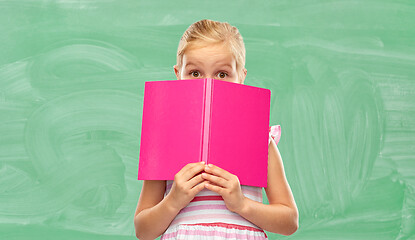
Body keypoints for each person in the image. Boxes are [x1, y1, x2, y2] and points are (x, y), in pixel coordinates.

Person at [134, 19, 298, 240]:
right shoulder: (165, 138)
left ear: (241, 76)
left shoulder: (260, 139)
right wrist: (174, 200)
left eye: (222, 74)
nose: (208, 84)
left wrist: (241, 204)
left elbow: (289, 221)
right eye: (194, 73)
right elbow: (143, 231)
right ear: (177, 74)